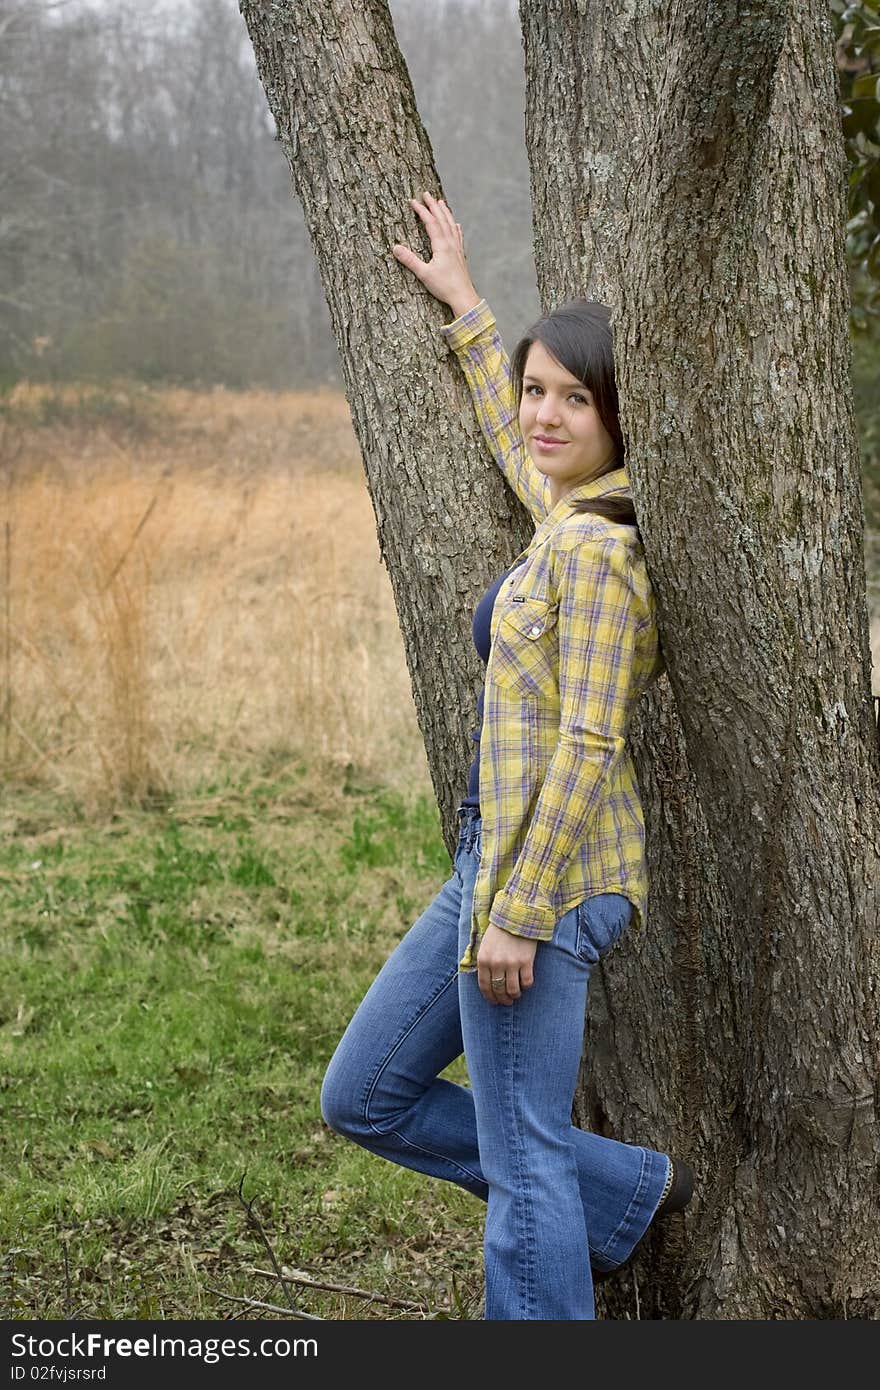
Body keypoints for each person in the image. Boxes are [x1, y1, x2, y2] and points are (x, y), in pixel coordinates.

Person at [320, 192, 693, 1320]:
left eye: (573, 399)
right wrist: (471, 309)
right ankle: (622, 1194)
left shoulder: (598, 556)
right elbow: (517, 446)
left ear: (621, 419)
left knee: (523, 1154)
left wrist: (518, 911)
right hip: (497, 865)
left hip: (547, 876)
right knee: (364, 1093)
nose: (543, 415)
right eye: (538, 389)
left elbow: (588, 742)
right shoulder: (566, 519)